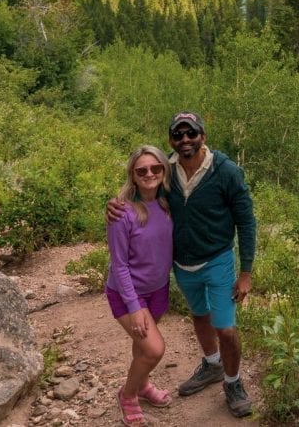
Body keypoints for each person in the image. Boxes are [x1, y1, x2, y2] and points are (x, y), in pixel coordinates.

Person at [108, 111, 257, 418]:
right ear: (171, 140)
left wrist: (246, 272)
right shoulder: (168, 173)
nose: (185, 140)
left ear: (203, 134)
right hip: (183, 267)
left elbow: (246, 221)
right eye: (178, 135)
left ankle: (233, 382)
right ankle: (212, 365)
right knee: (199, 316)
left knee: (225, 329)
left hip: (217, 261)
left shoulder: (226, 171)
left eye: (192, 133)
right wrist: (114, 204)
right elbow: (139, 190)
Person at [107, 145, 174, 426]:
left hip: (158, 290)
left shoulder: (167, 203)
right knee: (155, 349)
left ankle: (144, 385)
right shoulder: (122, 212)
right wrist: (135, 308)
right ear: (133, 175)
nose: (149, 174)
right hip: (127, 293)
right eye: (142, 170)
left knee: (142, 346)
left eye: (156, 168)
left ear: (163, 171)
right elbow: (119, 264)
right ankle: (128, 394)